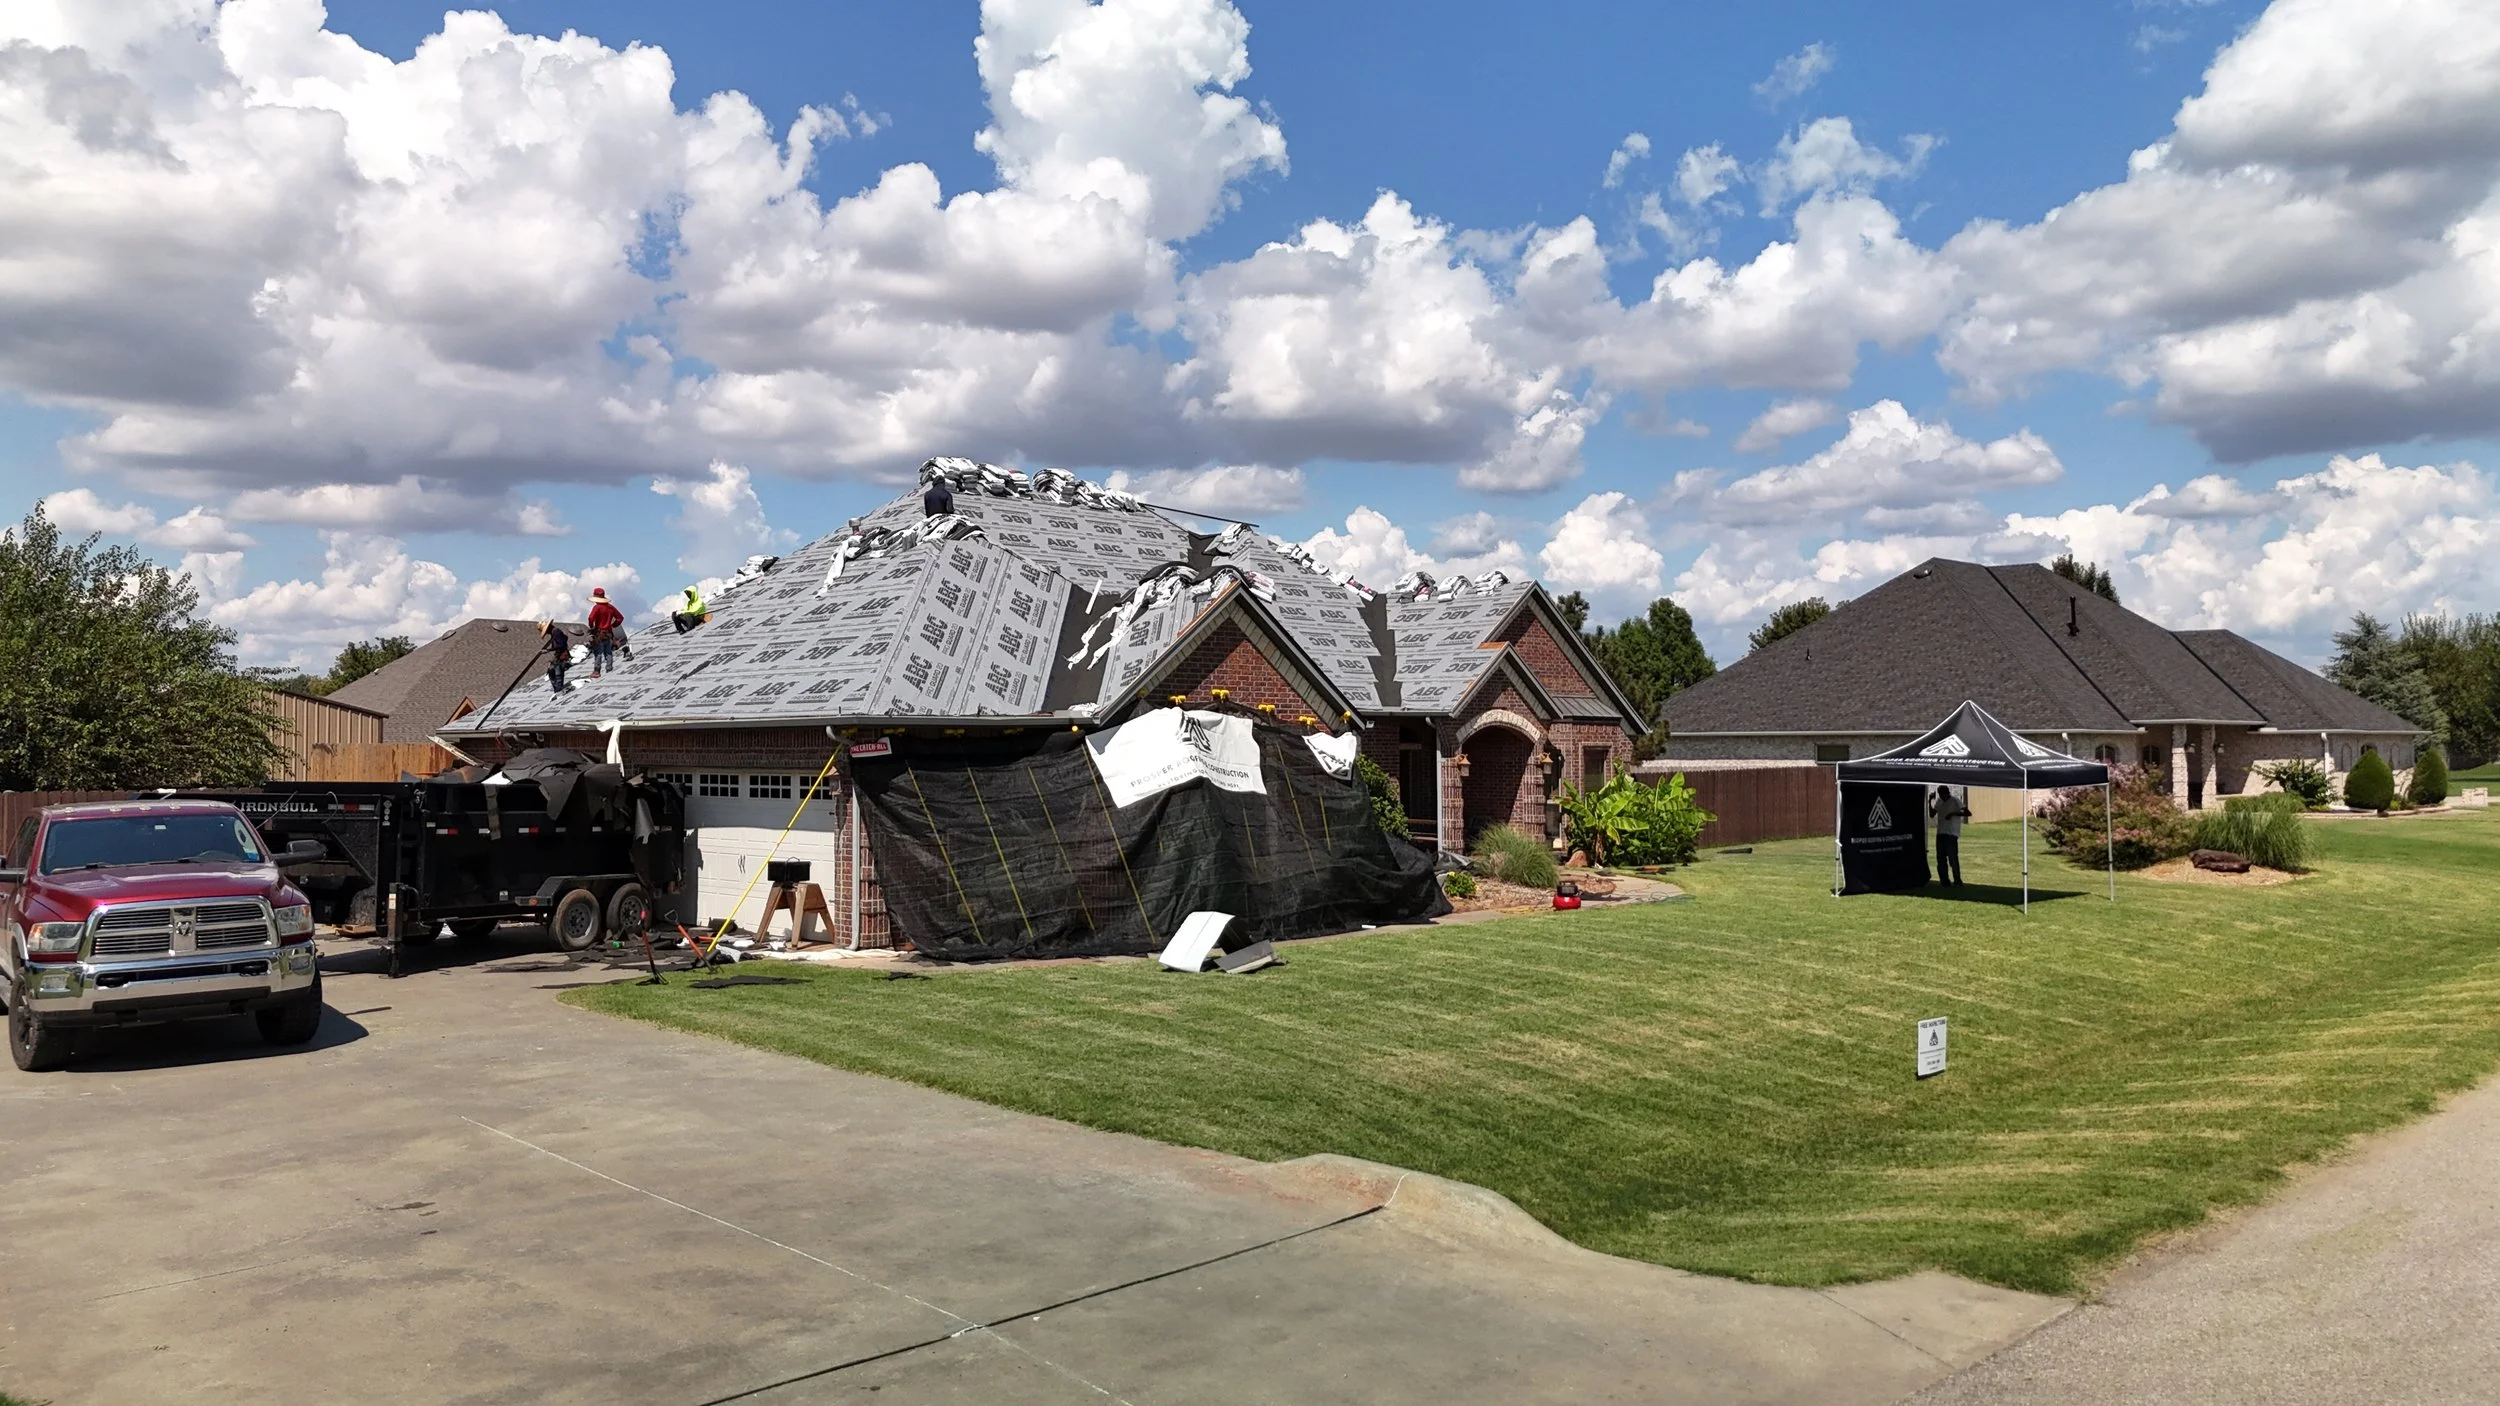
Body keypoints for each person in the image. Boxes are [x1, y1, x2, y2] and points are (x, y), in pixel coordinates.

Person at [1930, 784, 1969, 886]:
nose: (1941, 796)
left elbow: (1967, 813)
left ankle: (1957, 880)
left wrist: (1953, 813)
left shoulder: (1955, 801)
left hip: (1951, 833)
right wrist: (1930, 801)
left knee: (1952, 858)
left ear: (1947, 793)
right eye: (1940, 794)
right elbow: (1932, 814)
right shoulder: (1939, 801)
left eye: (1942, 794)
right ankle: (1944, 880)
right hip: (1940, 833)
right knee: (1941, 859)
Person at [586, 587, 624, 678]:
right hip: (609, 633)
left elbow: (591, 618)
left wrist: (592, 626)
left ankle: (597, 671)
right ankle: (609, 668)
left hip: (599, 633)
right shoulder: (610, 608)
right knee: (608, 652)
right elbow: (620, 618)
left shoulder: (597, 607)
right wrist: (613, 625)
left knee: (598, 652)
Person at [537, 620, 573, 693]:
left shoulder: (556, 632)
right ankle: (557, 689)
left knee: (557, 672)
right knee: (552, 671)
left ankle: (559, 689)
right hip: (559, 655)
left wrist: (548, 650)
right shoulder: (554, 633)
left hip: (561, 655)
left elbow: (561, 645)